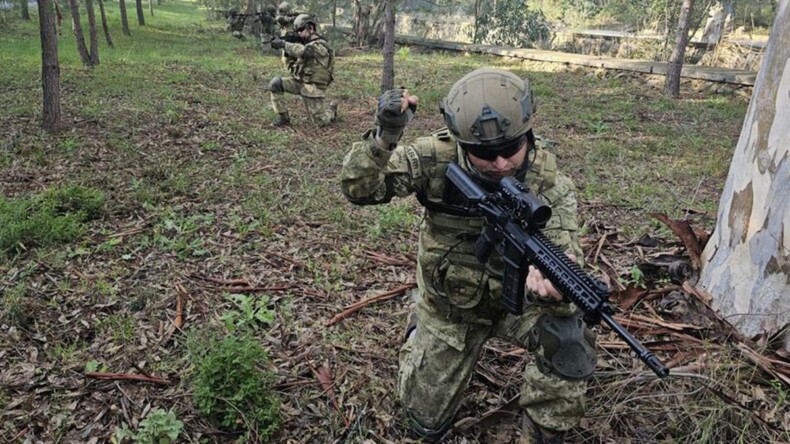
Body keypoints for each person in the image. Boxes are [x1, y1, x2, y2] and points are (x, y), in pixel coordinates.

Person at [340, 68, 597, 444]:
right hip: (450, 307)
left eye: (511, 149)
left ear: (528, 131)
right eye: (484, 154)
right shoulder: (434, 157)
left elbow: (564, 248)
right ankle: (419, 327)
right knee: (423, 425)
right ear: (462, 144)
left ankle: (542, 434)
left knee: (571, 340)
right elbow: (358, 188)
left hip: (516, 308)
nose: (500, 164)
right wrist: (387, 134)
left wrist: (558, 289)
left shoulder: (550, 185)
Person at [268, 14, 336, 127]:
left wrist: (285, 44)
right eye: (297, 31)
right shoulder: (303, 44)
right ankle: (283, 118)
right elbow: (292, 68)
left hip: (314, 87)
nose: (299, 33)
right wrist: (286, 54)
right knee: (275, 84)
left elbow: (305, 51)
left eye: (301, 29)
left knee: (319, 122)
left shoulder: (321, 45)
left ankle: (331, 111)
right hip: (301, 82)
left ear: (311, 28)